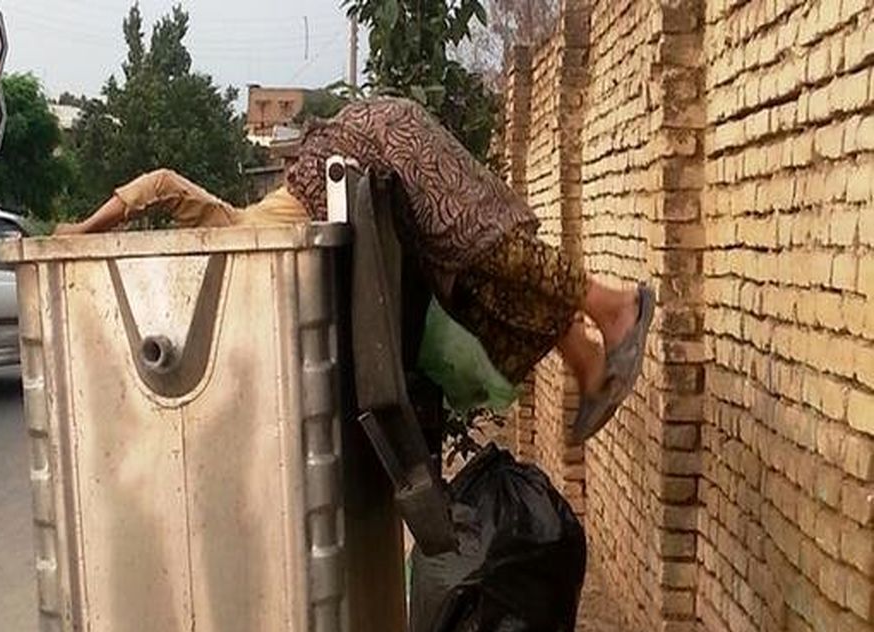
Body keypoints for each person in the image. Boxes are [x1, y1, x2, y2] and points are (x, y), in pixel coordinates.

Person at [59, 97, 654, 443]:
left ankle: (612, 307)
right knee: (468, 291)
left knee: (476, 242)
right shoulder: (247, 306)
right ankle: (586, 359)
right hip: (362, 188)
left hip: (371, 141)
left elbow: (158, 184)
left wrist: (80, 236)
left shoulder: (224, 230)